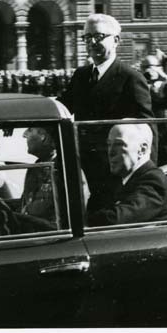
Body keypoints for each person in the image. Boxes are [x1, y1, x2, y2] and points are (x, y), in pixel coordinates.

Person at [59, 13, 154, 211]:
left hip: (116, 170)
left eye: (99, 36)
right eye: (87, 38)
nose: (92, 42)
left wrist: (144, 175)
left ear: (116, 40)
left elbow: (147, 127)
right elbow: (62, 106)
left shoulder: (130, 77)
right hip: (86, 166)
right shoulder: (81, 75)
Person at [86, 123, 167, 227]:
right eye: (109, 144)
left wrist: (84, 220)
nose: (110, 152)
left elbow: (116, 219)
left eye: (119, 144)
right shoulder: (122, 178)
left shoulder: (154, 180)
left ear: (142, 149)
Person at [20, 126, 58, 222]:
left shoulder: (61, 167)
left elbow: (44, 206)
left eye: (30, 129)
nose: (24, 135)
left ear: (42, 136)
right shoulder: (36, 167)